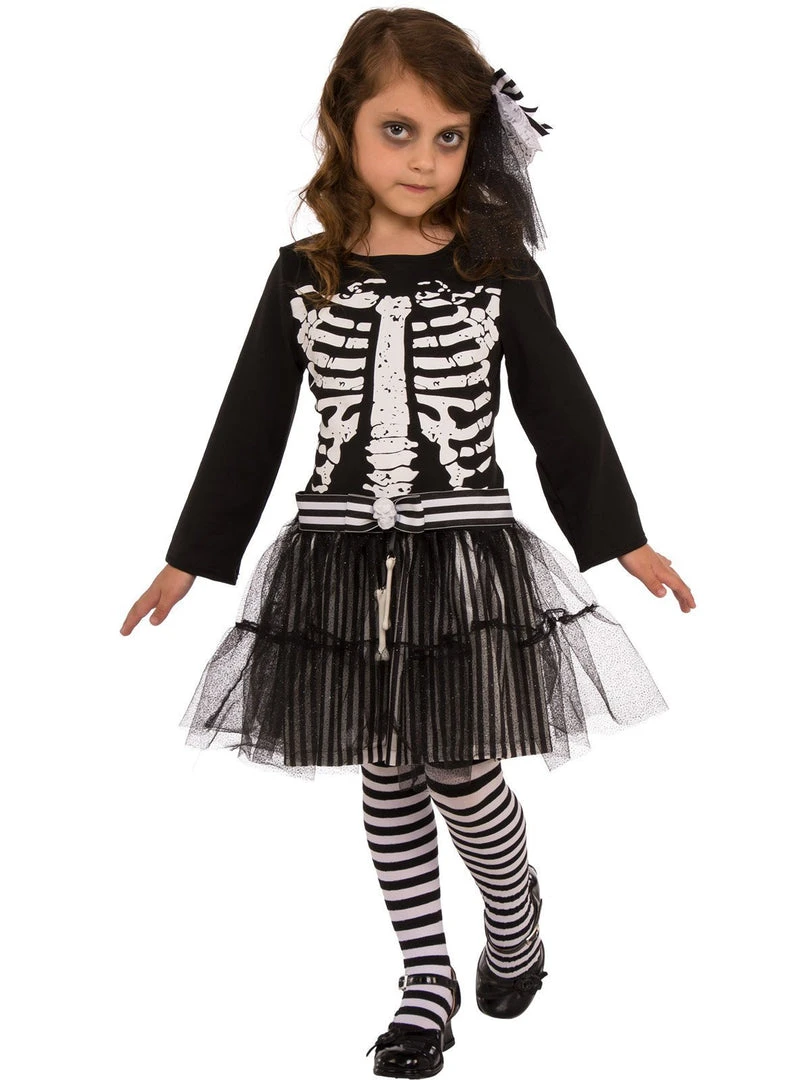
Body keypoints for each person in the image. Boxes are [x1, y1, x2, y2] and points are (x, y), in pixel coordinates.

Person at [121, 8, 696, 1077]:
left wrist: (621, 539)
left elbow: (561, 411)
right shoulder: (305, 273)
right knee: (386, 770)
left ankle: (514, 914)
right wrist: (192, 555)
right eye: (398, 130)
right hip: (337, 559)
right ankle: (425, 980)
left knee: (463, 765)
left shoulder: (495, 268)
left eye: (450, 136)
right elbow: (250, 420)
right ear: (343, 123)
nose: (424, 159)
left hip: (463, 557)